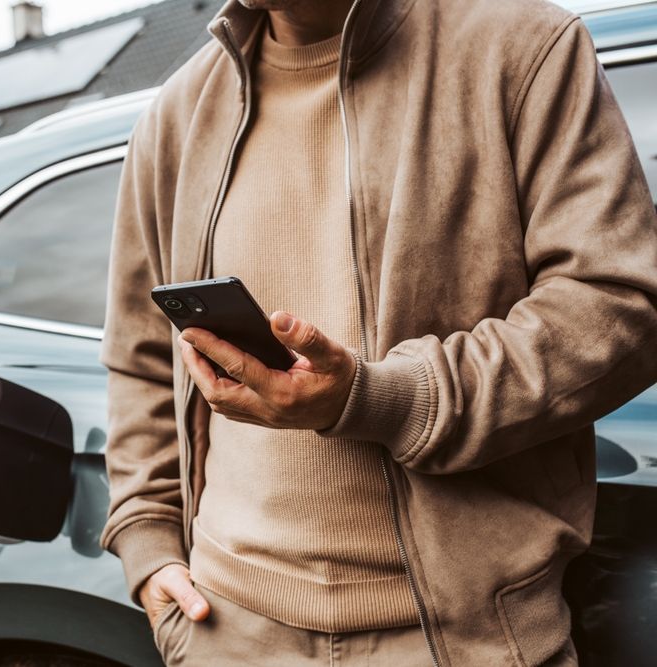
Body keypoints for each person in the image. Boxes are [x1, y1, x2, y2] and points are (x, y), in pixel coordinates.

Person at [99, 0, 657, 664]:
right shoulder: (175, 117)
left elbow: (618, 304)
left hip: (464, 640)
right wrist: (148, 541)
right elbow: (140, 360)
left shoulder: (524, 47)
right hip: (228, 632)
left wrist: (380, 399)